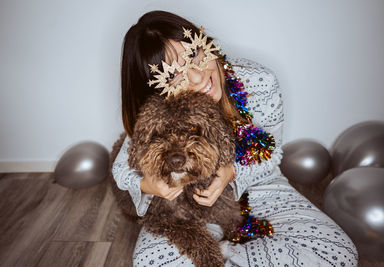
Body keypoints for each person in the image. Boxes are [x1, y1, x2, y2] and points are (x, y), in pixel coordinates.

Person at [112, 10, 358, 266]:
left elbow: (270, 154)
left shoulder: (259, 81)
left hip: (261, 190)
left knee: (340, 254)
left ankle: (228, 255)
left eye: (194, 54)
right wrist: (148, 186)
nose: (197, 77)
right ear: (156, 89)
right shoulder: (160, 109)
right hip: (186, 204)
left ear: (204, 43)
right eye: (174, 75)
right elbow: (122, 169)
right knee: (149, 262)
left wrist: (231, 172)